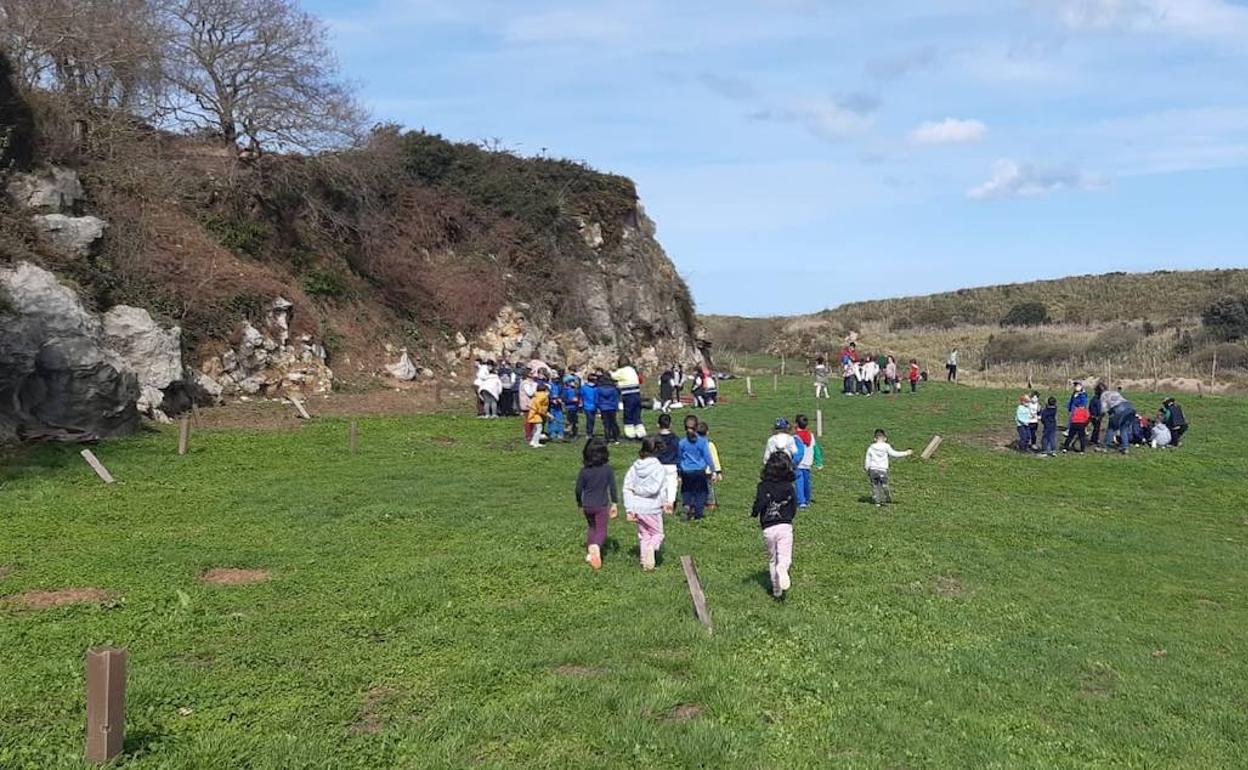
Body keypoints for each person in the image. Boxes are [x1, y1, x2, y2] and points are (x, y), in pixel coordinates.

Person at [751, 452, 798, 600]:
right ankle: (782, 569)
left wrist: (754, 513)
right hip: (784, 525)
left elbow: (759, 502)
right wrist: (790, 515)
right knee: (784, 558)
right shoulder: (789, 487)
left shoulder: (763, 486)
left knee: (772, 559)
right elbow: (793, 505)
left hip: (768, 527)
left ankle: (776, 590)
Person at [623, 437, 671, 571]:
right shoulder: (659, 468)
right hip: (652, 508)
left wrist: (629, 508)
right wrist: (665, 502)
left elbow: (627, 487)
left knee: (644, 535)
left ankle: (645, 562)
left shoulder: (635, 467)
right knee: (657, 534)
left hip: (638, 508)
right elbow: (657, 489)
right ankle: (652, 549)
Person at [574, 438, 618, 570]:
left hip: (588, 505)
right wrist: (615, 503)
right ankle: (596, 547)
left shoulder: (584, 471)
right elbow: (613, 488)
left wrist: (579, 503)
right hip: (601, 505)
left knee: (592, 527)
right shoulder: (608, 470)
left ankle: (590, 552)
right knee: (601, 530)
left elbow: (578, 489)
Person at [677, 418, 715, 521]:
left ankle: (687, 505)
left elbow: (679, 458)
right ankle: (698, 513)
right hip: (699, 471)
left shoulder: (682, 443)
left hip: (686, 471)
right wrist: (713, 469)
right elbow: (708, 457)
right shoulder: (703, 442)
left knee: (686, 490)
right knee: (701, 492)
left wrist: (679, 471)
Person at [864, 428, 912, 506]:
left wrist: (867, 468)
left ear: (874, 438)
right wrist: (906, 453)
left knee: (875, 486)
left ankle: (877, 502)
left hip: (873, 469)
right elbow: (894, 454)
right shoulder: (886, 446)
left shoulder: (871, 448)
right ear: (885, 438)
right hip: (882, 470)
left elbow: (867, 459)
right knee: (884, 484)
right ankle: (887, 496)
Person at [612, 360, 645, 440]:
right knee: (637, 414)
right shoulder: (632, 370)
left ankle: (630, 434)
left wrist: (609, 372)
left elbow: (613, 376)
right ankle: (640, 433)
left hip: (628, 395)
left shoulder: (621, 371)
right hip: (637, 394)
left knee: (628, 415)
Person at [655, 413, 680, 511]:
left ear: (658, 425)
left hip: (659, 465)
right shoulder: (675, 439)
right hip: (672, 465)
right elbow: (678, 454)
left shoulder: (655, 439)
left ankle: (663, 503)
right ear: (670, 425)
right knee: (672, 485)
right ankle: (670, 503)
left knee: (661, 485)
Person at [698, 421, 723, 510]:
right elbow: (714, 459)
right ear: (707, 432)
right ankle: (710, 503)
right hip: (708, 471)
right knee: (709, 487)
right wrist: (718, 472)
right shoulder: (710, 444)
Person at [793, 414, 815, 509]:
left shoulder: (795, 437)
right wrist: (818, 460)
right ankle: (807, 499)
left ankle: (801, 501)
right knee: (807, 482)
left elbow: (793, 450)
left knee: (799, 482)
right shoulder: (811, 435)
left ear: (796, 424)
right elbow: (815, 447)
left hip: (798, 462)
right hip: (808, 462)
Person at [596, 376, 621, 443]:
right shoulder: (613, 389)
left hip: (603, 408)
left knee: (606, 424)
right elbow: (616, 398)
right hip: (612, 407)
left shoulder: (598, 389)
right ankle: (616, 438)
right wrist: (616, 407)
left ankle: (607, 438)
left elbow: (597, 399)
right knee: (613, 423)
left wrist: (598, 407)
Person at [526, 383, 549, 448]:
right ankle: (536, 443)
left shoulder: (536, 395)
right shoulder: (543, 395)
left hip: (535, 413)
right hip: (536, 414)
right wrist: (543, 412)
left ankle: (533, 441)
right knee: (539, 429)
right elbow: (538, 404)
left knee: (536, 429)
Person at [563, 373, 581, 439]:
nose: (572, 383)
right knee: (568, 421)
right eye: (571, 381)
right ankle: (567, 434)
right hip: (568, 407)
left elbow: (579, 398)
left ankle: (575, 433)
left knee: (575, 422)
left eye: (573, 381)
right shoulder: (566, 390)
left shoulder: (576, 390)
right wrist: (571, 400)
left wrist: (578, 401)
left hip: (575, 408)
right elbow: (564, 399)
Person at [579, 374, 598, 439]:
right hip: (589, 406)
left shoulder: (585, 387)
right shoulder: (594, 388)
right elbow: (581, 396)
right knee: (590, 420)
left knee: (592, 420)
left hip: (591, 406)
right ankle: (589, 433)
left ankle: (590, 432)